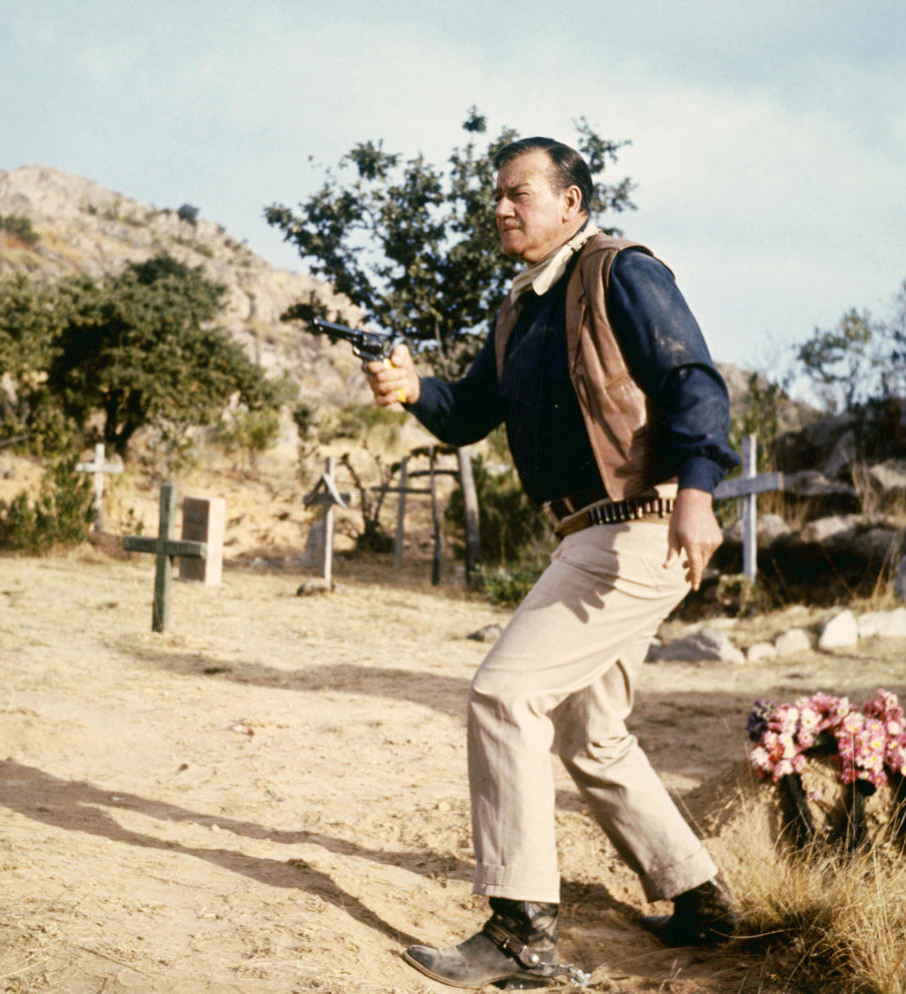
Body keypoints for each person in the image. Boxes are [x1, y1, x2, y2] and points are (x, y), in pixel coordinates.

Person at [363, 136, 741, 989]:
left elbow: (693, 379)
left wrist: (700, 489)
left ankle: (521, 932)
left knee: (504, 694)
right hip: (589, 534)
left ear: (571, 203)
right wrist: (409, 387)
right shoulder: (521, 309)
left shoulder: (619, 271)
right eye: (496, 194)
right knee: (589, 731)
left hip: (637, 526)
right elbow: (464, 414)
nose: (501, 206)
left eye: (519, 192)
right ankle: (700, 898)